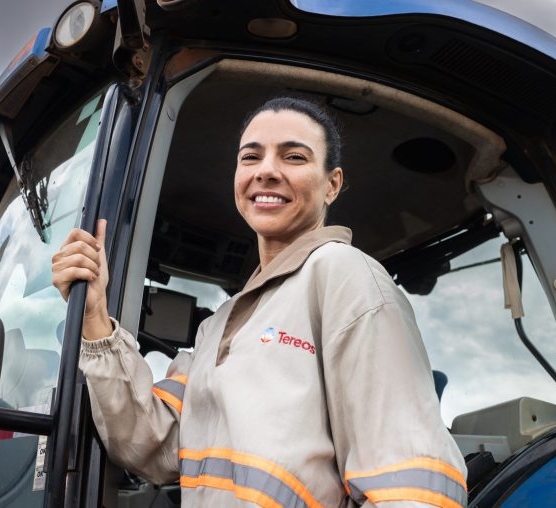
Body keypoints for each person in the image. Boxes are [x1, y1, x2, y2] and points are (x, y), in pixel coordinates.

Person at [52, 96, 467, 507]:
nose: (266, 171)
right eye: (251, 157)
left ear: (332, 184)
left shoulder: (344, 276)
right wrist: (94, 318)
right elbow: (154, 446)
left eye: (294, 157)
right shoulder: (220, 324)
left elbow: (412, 492)